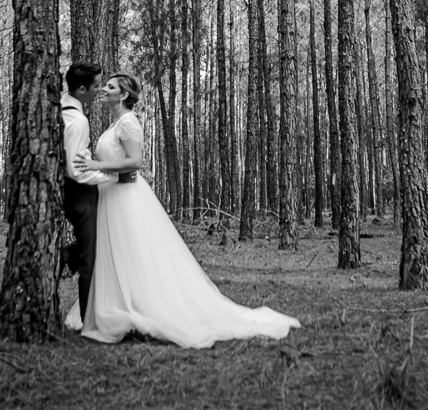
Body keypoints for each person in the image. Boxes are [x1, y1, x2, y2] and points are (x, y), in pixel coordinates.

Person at [65, 73, 300, 349]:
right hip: (109, 195)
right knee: (115, 256)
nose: (103, 89)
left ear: (124, 96)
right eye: (104, 86)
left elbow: (136, 161)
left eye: (110, 87)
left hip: (126, 197)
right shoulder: (115, 122)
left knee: (133, 254)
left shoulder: (129, 122)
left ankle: (141, 310)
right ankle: (113, 306)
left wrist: (96, 166)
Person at [59, 62, 110, 323]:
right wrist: (111, 177)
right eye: (96, 85)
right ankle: (89, 318)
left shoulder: (60, 104)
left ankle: (67, 254)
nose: (99, 89)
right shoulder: (77, 121)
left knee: (101, 242)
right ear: (81, 89)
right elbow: (76, 170)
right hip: (80, 193)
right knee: (91, 256)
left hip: (75, 191)